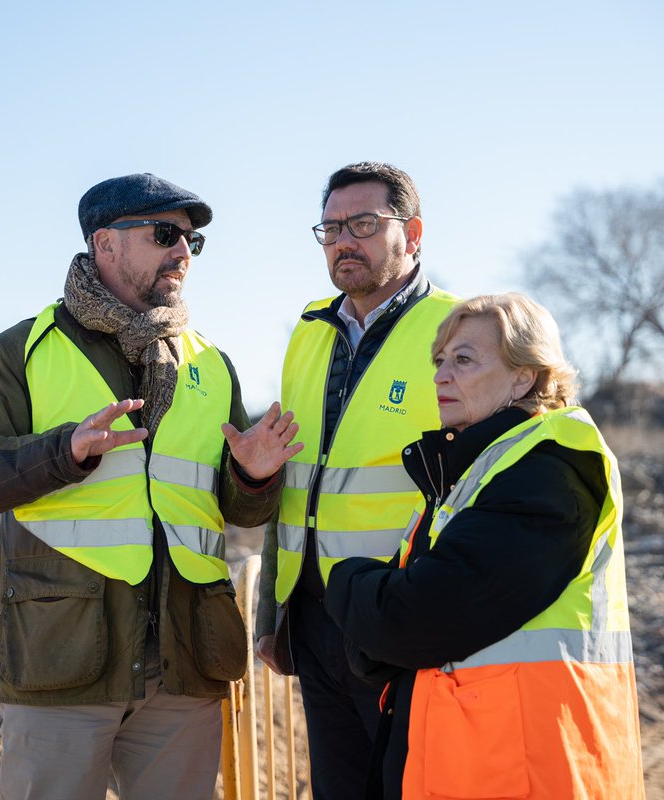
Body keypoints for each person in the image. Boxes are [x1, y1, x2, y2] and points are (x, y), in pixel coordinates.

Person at [0, 173, 303, 800]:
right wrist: (64, 452)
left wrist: (253, 476)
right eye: (165, 234)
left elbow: (233, 512)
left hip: (185, 665)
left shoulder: (212, 364)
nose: (183, 251)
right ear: (104, 243)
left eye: (192, 240)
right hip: (64, 664)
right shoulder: (21, 350)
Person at [324, 293, 646, 799]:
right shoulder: (476, 468)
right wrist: (380, 627)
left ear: (525, 378)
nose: (441, 376)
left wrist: (345, 580)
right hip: (477, 761)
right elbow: (393, 634)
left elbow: (414, 619)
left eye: (464, 360)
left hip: (527, 770)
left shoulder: (549, 471)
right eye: (440, 360)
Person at [254, 162, 459, 800]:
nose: (344, 241)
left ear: (413, 233)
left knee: (415, 787)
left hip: (401, 617)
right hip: (315, 620)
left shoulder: (459, 330)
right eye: (332, 228)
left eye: (364, 224)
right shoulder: (310, 331)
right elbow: (296, 483)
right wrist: (272, 611)